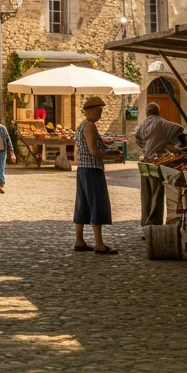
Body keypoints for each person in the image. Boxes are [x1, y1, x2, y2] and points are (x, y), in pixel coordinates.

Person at [73, 96, 122, 255]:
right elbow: (94, 151)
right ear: (91, 111)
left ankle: (79, 241)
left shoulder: (81, 126)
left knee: (82, 205)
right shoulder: (90, 126)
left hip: (82, 169)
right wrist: (112, 157)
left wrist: (108, 151)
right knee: (96, 204)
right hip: (92, 169)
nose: (101, 113)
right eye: (99, 110)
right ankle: (99, 244)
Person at [133, 102, 187, 229]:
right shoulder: (163, 123)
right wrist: (168, 143)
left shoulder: (140, 126)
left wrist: (146, 148)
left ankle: (145, 222)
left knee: (146, 195)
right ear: (158, 111)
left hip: (146, 161)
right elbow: (179, 129)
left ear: (147, 113)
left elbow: (138, 140)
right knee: (157, 193)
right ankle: (154, 223)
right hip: (158, 162)